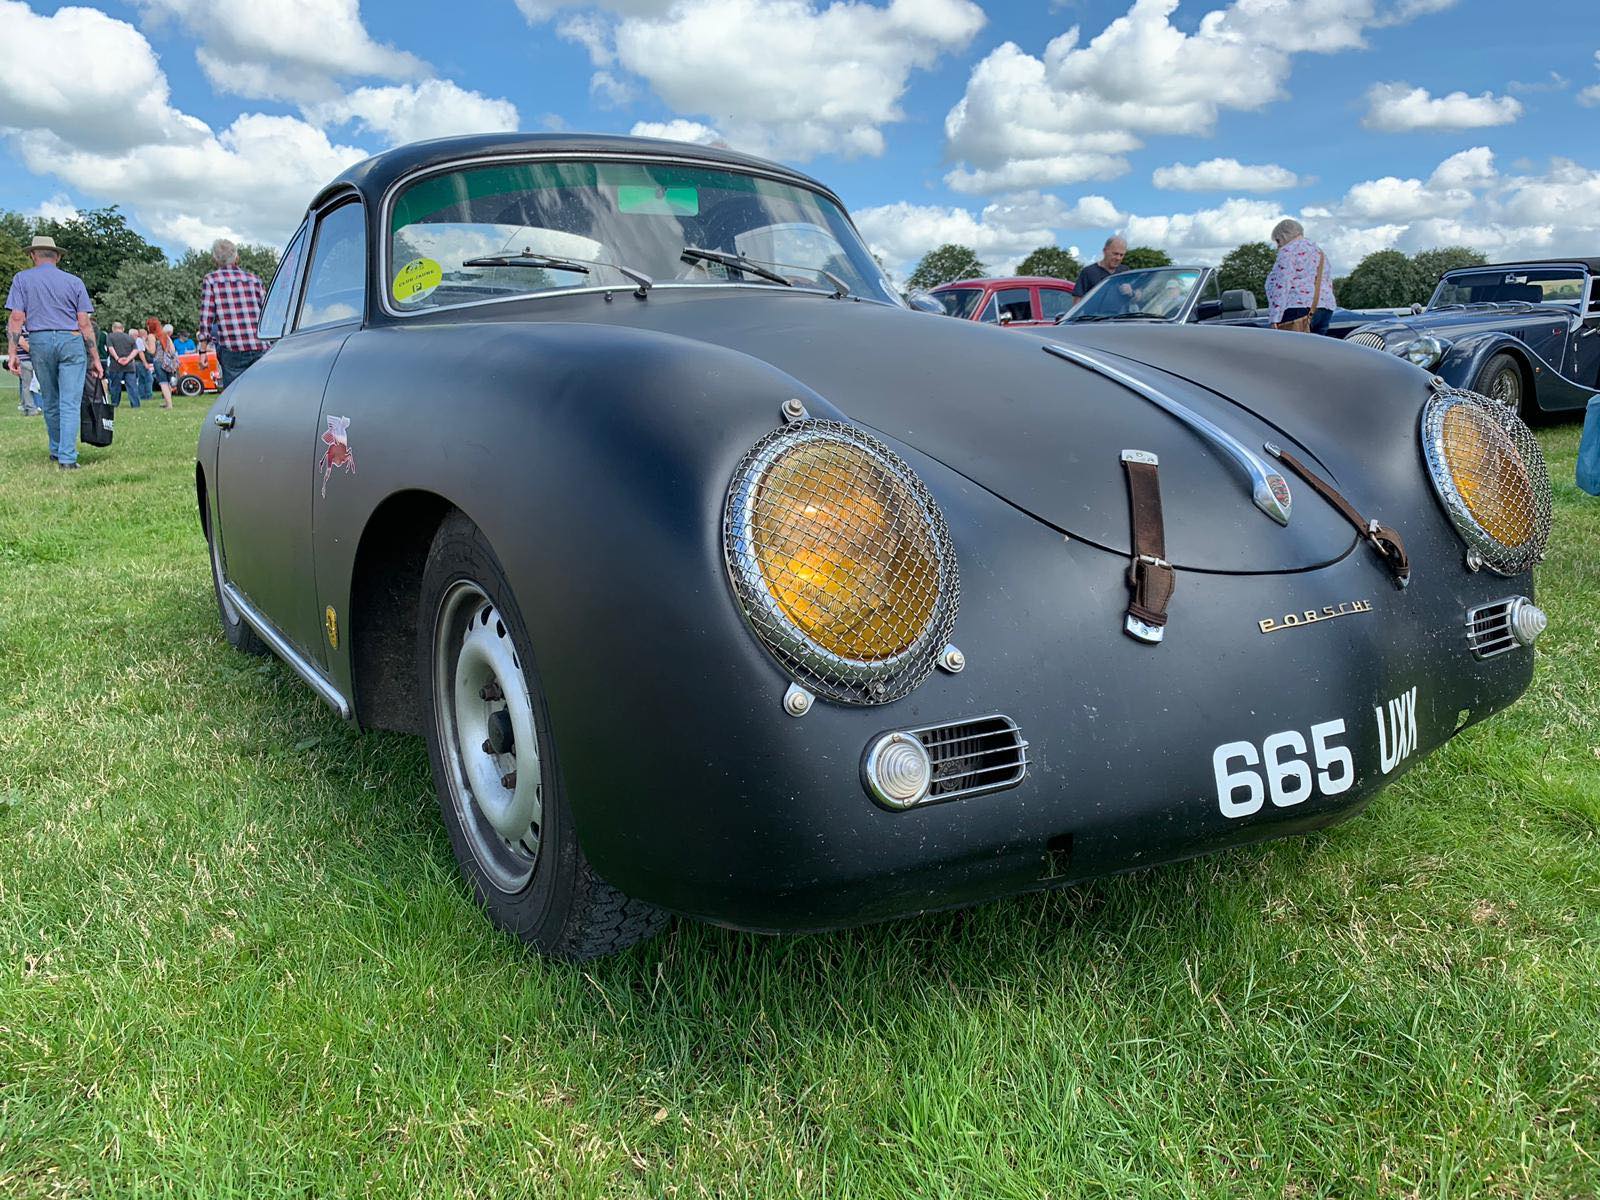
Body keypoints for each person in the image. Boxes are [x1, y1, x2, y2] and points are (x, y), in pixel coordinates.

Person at [4, 234, 101, 469]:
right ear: (57, 256)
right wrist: (95, 358)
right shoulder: (74, 281)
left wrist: (13, 353)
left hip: (39, 340)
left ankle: (56, 449)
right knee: (69, 401)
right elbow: (84, 323)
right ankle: (67, 458)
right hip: (71, 340)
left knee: (49, 399)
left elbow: (17, 318)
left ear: (32, 255)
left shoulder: (21, 279)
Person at [198, 238, 268, 388]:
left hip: (232, 347)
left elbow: (206, 319)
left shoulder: (211, 280)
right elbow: (268, 313)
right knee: (261, 392)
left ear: (215, 260)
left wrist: (202, 351)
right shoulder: (255, 280)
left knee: (234, 396)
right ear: (237, 258)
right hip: (260, 345)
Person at [1265, 218, 1336, 335]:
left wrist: (1274, 318)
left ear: (1284, 236)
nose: (1278, 246)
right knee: (1316, 351)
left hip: (1297, 308)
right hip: (1325, 308)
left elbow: (1282, 285)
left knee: (1293, 351)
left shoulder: (1288, 252)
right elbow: (1327, 281)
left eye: (1278, 241)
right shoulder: (1319, 252)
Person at [105, 320, 140, 408]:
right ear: (123, 329)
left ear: (113, 329)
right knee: (132, 386)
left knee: (115, 386)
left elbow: (110, 348)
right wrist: (128, 359)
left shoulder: (110, 336)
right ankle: (135, 404)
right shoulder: (130, 337)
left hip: (116, 366)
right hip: (130, 366)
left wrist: (117, 358)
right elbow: (136, 350)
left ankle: (115, 404)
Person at [146, 317, 177, 409]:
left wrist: (145, 344)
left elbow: (152, 351)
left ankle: (169, 405)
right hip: (168, 362)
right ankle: (167, 402)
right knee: (168, 383)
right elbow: (173, 349)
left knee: (163, 383)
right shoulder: (165, 335)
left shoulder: (151, 336)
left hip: (158, 361)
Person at [8, 329, 40, 416]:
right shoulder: (18, 327)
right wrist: (37, 353)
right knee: (27, 386)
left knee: (32, 386)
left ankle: (29, 407)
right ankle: (31, 409)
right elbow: (21, 342)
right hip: (25, 360)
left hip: (33, 360)